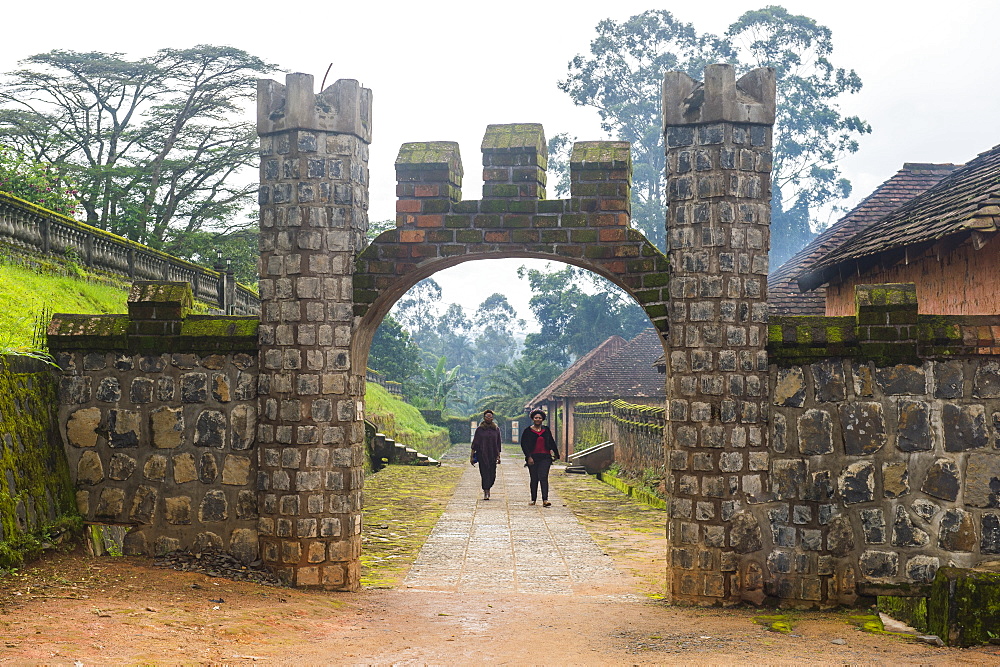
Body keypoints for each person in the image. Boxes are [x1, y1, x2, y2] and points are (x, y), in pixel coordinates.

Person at [520, 409, 559, 506]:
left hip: (545, 457)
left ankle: (545, 500)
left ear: (542, 419)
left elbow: (551, 442)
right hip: (533, 457)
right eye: (536, 418)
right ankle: (533, 499)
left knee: (543, 477)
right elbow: (524, 445)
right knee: (534, 478)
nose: (538, 419)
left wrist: (556, 454)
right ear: (533, 419)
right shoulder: (527, 431)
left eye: (540, 418)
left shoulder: (546, 430)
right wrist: (528, 457)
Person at [471, 409, 502, 500]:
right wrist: (472, 456)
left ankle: (489, 486)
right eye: (487, 416)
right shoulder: (480, 429)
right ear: (484, 418)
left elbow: (498, 443)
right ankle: (486, 491)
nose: (489, 418)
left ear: (493, 418)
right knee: (484, 473)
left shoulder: (496, 429)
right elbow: (475, 443)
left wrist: (498, 455)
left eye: (490, 416)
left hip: (492, 454)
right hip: (482, 454)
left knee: (492, 474)